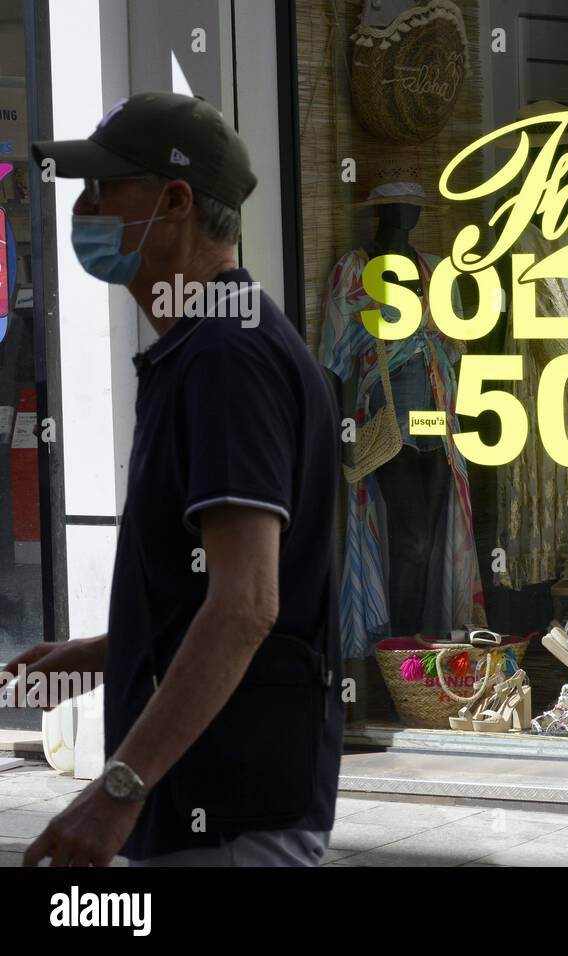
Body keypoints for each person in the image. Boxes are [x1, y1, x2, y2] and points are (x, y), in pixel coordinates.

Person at [9, 92, 342, 866]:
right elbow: (220, 594)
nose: (82, 209)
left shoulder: (227, 356)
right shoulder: (207, 346)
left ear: (176, 201)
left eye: (103, 189)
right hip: (213, 804)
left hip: (228, 812)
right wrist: (99, 653)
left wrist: (115, 791)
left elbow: (246, 606)